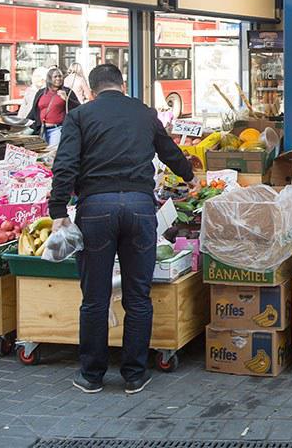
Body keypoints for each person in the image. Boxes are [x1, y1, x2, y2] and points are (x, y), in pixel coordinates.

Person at [49, 63, 195, 395]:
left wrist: (58, 209)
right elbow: (170, 150)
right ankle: (134, 374)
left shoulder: (80, 116)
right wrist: (188, 175)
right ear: (123, 84)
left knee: (95, 297)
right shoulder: (144, 113)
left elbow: (66, 163)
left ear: (91, 89)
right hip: (140, 208)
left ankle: (92, 375)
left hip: (96, 209)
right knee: (138, 295)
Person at [27, 66, 82, 148]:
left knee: (53, 155)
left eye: (60, 76)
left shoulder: (67, 91)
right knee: (42, 156)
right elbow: (34, 111)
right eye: (55, 76)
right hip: (42, 130)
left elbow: (78, 108)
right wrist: (25, 123)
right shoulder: (41, 92)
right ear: (49, 78)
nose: (58, 79)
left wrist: (67, 99)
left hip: (57, 129)